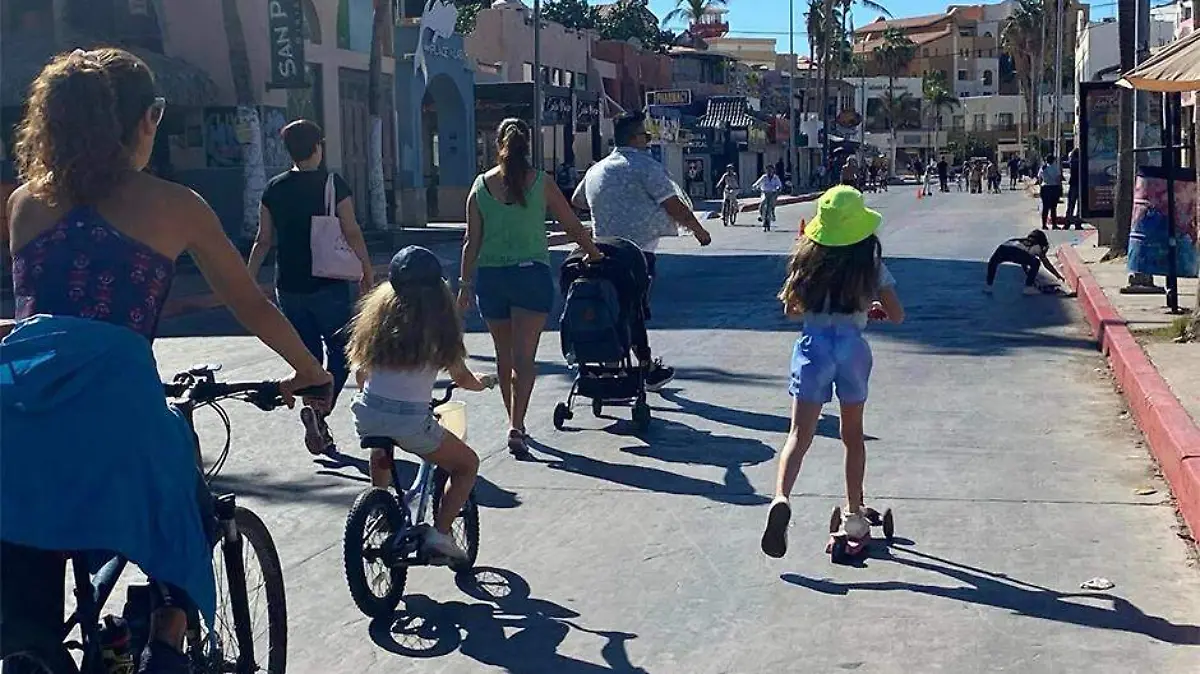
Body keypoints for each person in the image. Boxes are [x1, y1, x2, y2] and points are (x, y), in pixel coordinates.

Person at [1, 48, 331, 672]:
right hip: (117, 415)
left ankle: (29, 648)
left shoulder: (23, 204)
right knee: (181, 477)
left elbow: (43, 310)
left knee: (25, 555)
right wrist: (311, 372)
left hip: (17, 417)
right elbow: (251, 306)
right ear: (145, 120)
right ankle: (169, 630)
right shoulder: (176, 205)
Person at [759, 185, 905, 559]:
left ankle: (781, 498)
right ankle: (855, 513)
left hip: (813, 348)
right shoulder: (869, 265)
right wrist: (868, 308)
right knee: (852, 436)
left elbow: (792, 311)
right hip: (852, 348)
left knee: (798, 434)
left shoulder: (807, 263)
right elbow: (897, 314)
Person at [460, 118, 602, 455]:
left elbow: (470, 242)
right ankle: (516, 426)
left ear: (498, 146)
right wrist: (594, 253)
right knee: (525, 357)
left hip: (492, 279)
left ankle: (515, 422)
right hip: (530, 277)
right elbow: (573, 226)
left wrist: (465, 285)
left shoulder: (480, 186)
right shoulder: (542, 182)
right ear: (529, 146)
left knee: (503, 356)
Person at [348, 246, 496, 559]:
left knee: (381, 441)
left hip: (368, 412)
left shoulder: (376, 324)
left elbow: (361, 373)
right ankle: (440, 535)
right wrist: (480, 384)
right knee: (467, 465)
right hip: (412, 421)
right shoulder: (439, 329)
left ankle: (381, 505)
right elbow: (462, 377)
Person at [247, 119, 372, 456]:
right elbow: (352, 229)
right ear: (318, 146)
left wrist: (247, 278)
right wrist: (366, 269)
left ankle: (318, 419)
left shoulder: (274, 188)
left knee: (308, 357)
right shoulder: (333, 184)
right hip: (328, 283)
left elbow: (263, 239)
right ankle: (318, 412)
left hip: (288, 284)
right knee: (343, 353)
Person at [571, 111, 712, 394]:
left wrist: (610, 202)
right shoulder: (645, 167)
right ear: (635, 138)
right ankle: (646, 367)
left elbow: (578, 200)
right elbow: (673, 205)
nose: (648, 142)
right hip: (637, 254)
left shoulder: (596, 169)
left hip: (600, 250)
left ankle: (610, 360)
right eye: (646, 136)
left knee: (612, 305)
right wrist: (699, 230)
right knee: (633, 309)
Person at [983, 229, 1064, 295]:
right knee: (1036, 262)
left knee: (993, 263)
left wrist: (1030, 276)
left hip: (1003, 248)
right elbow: (1046, 264)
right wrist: (1058, 276)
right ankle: (1028, 288)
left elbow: (1024, 262)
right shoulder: (1037, 246)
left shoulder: (1021, 241)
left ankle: (988, 285)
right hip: (1017, 252)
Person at [1037, 154, 1064, 230]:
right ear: (1053, 160)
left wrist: (1041, 186)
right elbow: (1058, 179)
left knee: (1045, 208)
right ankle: (1054, 225)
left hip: (1045, 188)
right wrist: (1060, 189)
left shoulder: (1043, 168)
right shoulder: (1056, 168)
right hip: (1054, 188)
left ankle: (1044, 225)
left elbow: (1039, 179)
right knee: (1053, 208)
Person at [754, 164, 783, 228]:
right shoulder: (764, 177)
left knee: (772, 204)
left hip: (773, 193)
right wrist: (755, 186)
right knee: (762, 204)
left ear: (773, 170)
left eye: (771, 169)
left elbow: (779, 185)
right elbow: (757, 183)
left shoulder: (776, 178)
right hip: (764, 192)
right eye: (768, 169)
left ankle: (772, 214)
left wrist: (778, 188)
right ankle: (761, 216)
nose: (769, 171)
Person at [1065, 147, 1082, 229]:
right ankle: (1077, 223)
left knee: (1070, 206)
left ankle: (1067, 223)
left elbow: (1070, 157)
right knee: (1079, 206)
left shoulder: (1072, 162)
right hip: (1080, 185)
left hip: (1073, 185)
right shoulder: (1081, 163)